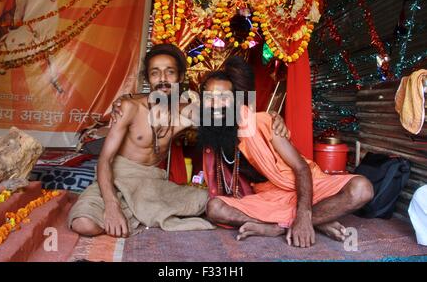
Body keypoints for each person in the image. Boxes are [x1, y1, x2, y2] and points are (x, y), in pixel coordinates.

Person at [69, 44, 290, 238]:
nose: (163, 79)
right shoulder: (129, 108)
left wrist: (272, 118)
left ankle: (267, 224)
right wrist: (111, 204)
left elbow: (234, 115)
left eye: (170, 72)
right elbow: (105, 160)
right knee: (84, 224)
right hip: (118, 179)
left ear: (180, 77)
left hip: (153, 184)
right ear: (147, 79)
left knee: (211, 201)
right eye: (155, 73)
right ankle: (132, 210)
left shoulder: (188, 112)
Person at [200, 56, 375, 248]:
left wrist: (303, 215)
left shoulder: (263, 123)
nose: (217, 105)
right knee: (214, 208)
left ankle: (282, 226)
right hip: (270, 198)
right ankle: (316, 220)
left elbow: (301, 168)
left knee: (361, 189)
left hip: (305, 187)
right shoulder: (210, 128)